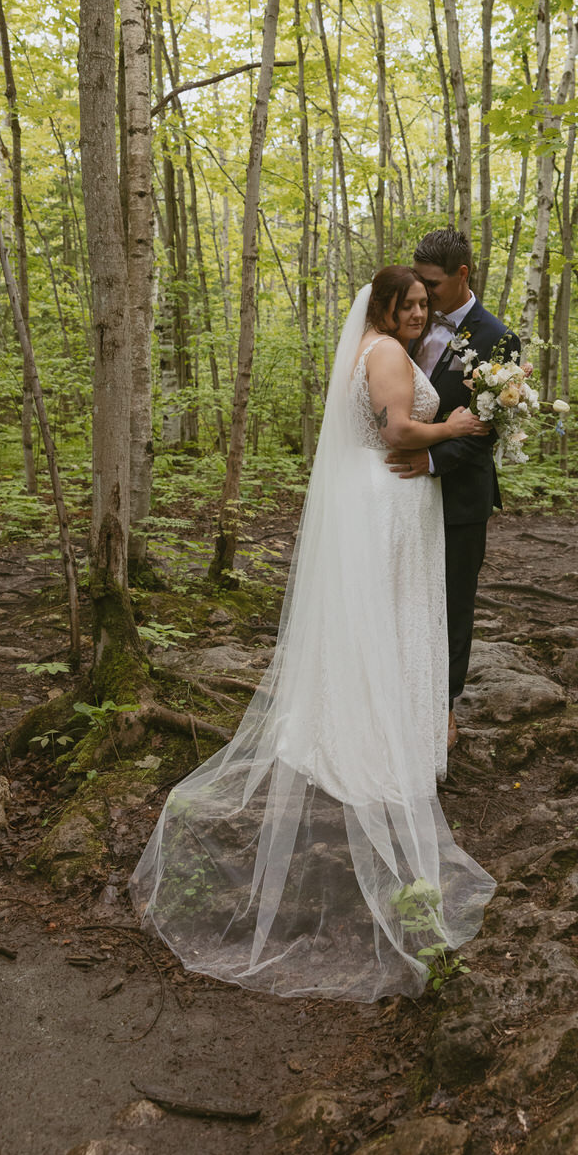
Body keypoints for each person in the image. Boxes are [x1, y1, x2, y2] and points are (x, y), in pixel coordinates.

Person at [129, 267, 496, 1002]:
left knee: (380, 620)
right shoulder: (387, 354)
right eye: (409, 304)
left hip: (380, 495)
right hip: (388, 494)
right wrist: (452, 427)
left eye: (426, 303)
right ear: (385, 307)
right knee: (391, 617)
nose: (419, 313)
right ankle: (372, 741)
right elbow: (395, 430)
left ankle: (358, 723)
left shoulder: (372, 345)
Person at [386, 228, 520, 751]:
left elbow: (488, 430)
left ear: (462, 276)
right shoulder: (408, 319)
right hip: (399, 492)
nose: (421, 294)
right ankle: (394, 697)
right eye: (417, 281)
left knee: (452, 602)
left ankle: (441, 709)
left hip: (458, 494)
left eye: (432, 285)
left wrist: (433, 458)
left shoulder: (497, 338)